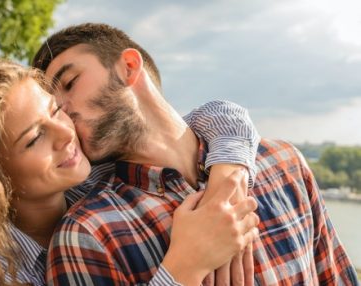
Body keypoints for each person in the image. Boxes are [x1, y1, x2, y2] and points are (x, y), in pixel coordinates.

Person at [0, 56, 261, 286]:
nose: (66, 134)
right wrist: (183, 268)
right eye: (33, 138)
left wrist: (228, 180)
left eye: (55, 110)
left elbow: (217, 116)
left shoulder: (91, 177)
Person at [32, 23, 359, 285]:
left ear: (129, 67)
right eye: (52, 107)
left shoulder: (283, 163)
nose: (61, 110)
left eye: (70, 82)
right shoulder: (88, 235)